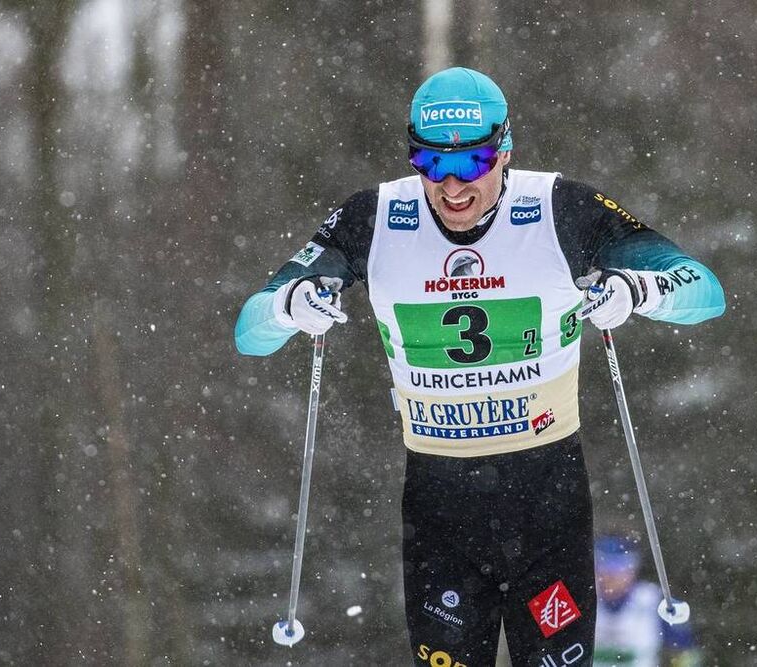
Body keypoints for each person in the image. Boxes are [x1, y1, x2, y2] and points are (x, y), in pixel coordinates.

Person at [235, 66, 725, 666]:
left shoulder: (560, 209)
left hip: (547, 501)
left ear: (505, 150)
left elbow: (704, 290)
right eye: (431, 163)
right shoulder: (375, 217)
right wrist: (289, 306)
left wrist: (637, 290)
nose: (452, 186)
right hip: (440, 509)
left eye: (472, 163)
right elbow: (250, 331)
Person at [594, 535, 702, 667]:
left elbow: (685, 652)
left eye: (618, 566)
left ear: (632, 569)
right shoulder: (583, 600)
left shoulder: (653, 601)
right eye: (604, 566)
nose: (610, 575)